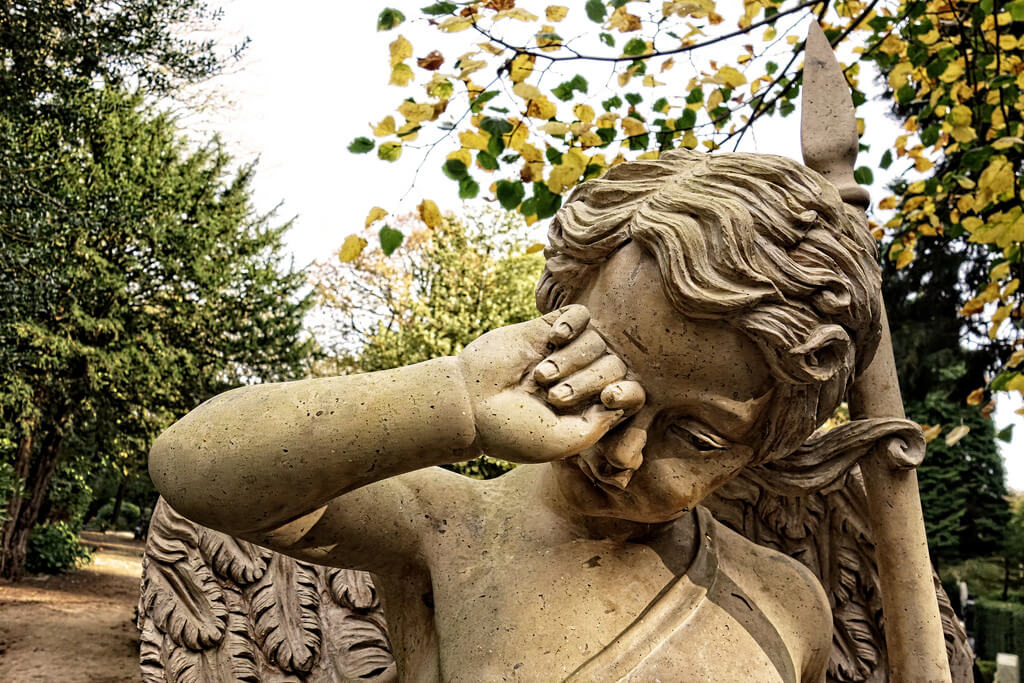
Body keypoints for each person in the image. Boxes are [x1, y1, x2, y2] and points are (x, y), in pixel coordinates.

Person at [149, 149, 882, 682]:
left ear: (763, 445)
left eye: (696, 436)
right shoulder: (450, 525)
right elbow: (193, 465)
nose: (620, 451)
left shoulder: (789, 603)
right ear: (556, 326)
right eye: (602, 377)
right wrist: (458, 396)